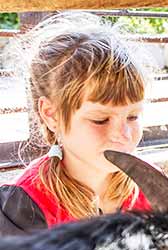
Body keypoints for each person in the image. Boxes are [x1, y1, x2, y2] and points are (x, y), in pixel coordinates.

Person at [0, 12, 152, 235]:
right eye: (100, 119)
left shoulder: (150, 186)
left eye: (133, 116)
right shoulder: (24, 209)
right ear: (51, 115)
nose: (124, 134)